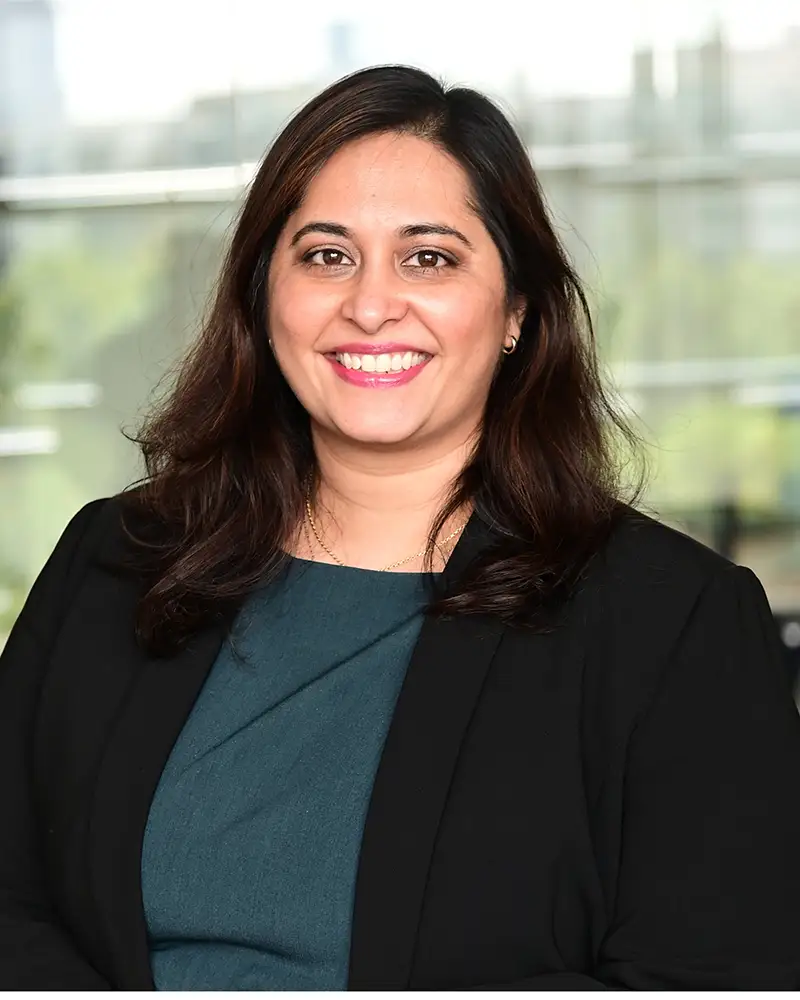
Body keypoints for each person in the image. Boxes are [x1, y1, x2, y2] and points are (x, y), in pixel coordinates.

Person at [1, 64, 799, 992]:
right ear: (266, 299)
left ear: (516, 313)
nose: (371, 304)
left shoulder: (676, 624)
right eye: (326, 255)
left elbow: (713, 973)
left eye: (430, 257)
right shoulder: (114, 562)